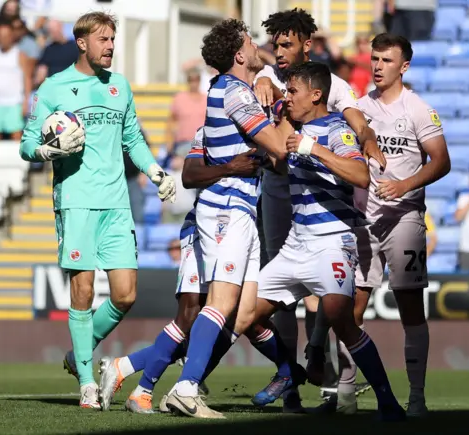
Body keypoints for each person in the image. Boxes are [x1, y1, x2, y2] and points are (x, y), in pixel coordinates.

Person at [19, 11, 176, 409]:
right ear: (82, 43)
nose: (110, 46)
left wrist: (156, 171)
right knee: (83, 291)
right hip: (76, 200)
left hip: (117, 202)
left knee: (125, 295)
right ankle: (88, 383)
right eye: (103, 39)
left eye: (112, 39)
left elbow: (133, 139)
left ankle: (79, 353)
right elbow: (26, 145)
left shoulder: (119, 86)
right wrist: (46, 150)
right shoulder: (54, 87)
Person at [238, 62, 404, 422]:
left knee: (342, 322)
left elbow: (360, 175)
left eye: (293, 91)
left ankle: (388, 402)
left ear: (315, 94)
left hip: (332, 242)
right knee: (244, 316)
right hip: (296, 244)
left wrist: (314, 149)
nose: (288, 97)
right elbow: (284, 167)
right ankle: (288, 371)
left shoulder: (335, 129)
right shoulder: (295, 129)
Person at [308, 33, 451, 417]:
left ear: (403, 66)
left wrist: (404, 185)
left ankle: (417, 397)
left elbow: (441, 161)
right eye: (374, 59)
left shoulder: (419, 109)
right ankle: (346, 394)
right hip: (361, 221)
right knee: (350, 310)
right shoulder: (358, 108)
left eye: (386, 60)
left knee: (410, 308)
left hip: (403, 218)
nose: (377, 66)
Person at [161, 18, 291, 420]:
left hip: (242, 208)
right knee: (221, 302)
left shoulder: (232, 89)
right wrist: (295, 117)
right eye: (252, 43)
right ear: (239, 54)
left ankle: (285, 371)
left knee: (245, 311)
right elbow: (278, 149)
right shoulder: (236, 94)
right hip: (228, 208)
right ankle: (185, 387)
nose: (258, 49)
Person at [98, 128, 261, 414]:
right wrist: (232, 166)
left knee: (236, 317)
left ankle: (126, 369)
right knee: (189, 316)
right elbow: (190, 176)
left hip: (238, 224)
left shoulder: (260, 127)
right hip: (204, 227)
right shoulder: (212, 130)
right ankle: (147, 389)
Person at [0, 21, 32, 143]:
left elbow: (27, 79)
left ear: (11, 36)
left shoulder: (20, 54)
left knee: (16, 135)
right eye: (0, 35)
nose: (2, 38)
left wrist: (26, 101)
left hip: (14, 102)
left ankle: (18, 162)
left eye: (5, 35)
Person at [165, 69, 207, 157]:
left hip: (202, 144)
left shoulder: (206, 99)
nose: (194, 83)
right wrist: (169, 141)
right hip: (183, 144)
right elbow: (171, 121)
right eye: (191, 80)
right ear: (187, 81)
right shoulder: (179, 98)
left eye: (196, 79)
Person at [34, 19, 78, 87]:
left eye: (55, 30)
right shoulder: (48, 50)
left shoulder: (75, 47)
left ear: (61, 27)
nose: (54, 33)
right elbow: (42, 70)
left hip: (72, 86)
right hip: (54, 88)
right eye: (51, 31)